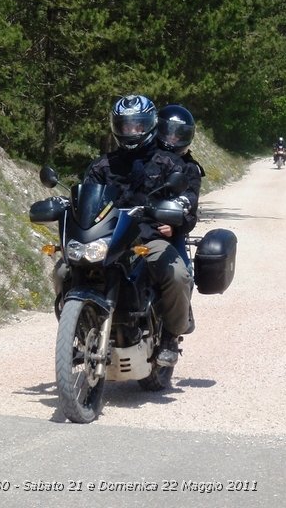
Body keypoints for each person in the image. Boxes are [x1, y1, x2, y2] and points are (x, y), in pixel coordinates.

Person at [81, 94, 195, 367]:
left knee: (177, 275)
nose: (131, 131)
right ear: (116, 126)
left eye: (137, 125)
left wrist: (176, 217)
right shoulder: (102, 166)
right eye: (126, 125)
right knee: (63, 267)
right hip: (107, 238)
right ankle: (78, 323)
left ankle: (170, 335)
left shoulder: (169, 164)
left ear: (150, 125)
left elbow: (188, 207)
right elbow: (85, 198)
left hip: (148, 237)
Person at [157, 104, 204, 335]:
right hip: (132, 227)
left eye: (179, 133)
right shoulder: (144, 159)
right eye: (168, 131)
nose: (172, 138)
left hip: (169, 231)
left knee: (182, 274)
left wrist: (175, 228)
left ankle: (175, 326)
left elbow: (190, 210)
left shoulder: (190, 168)